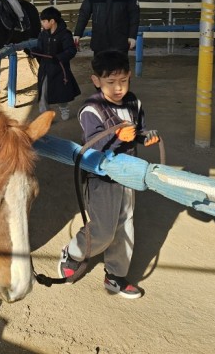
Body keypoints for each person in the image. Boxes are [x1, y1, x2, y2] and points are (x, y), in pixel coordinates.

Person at [56, 50, 158, 299]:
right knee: (103, 230)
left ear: (130, 76)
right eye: (110, 82)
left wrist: (146, 137)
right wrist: (117, 136)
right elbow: (93, 144)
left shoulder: (134, 103)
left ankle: (115, 274)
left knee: (125, 226)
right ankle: (73, 253)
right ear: (96, 80)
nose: (118, 88)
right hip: (101, 178)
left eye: (123, 80)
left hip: (128, 175)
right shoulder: (91, 110)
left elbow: (139, 130)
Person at [31, 6, 80, 121]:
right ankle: (45, 116)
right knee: (43, 92)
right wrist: (34, 52)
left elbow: (71, 51)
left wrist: (58, 58)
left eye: (44, 21)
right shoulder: (43, 34)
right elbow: (40, 49)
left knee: (61, 93)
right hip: (45, 69)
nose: (42, 23)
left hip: (60, 69)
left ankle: (64, 108)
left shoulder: (65, 34)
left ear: (52, 21)